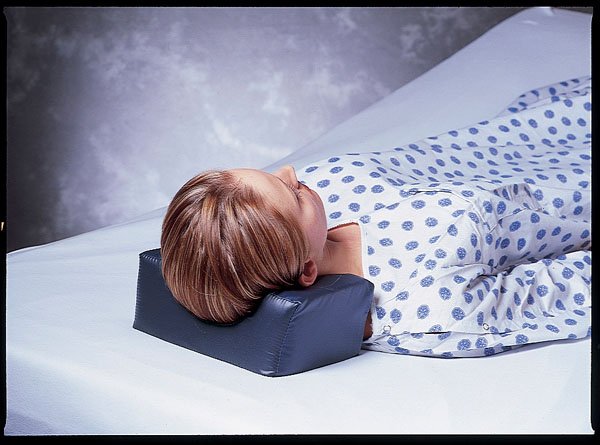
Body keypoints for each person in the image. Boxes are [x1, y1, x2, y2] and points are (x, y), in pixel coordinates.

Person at [161, 76, 591, 357]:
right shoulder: (425, 306)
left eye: (273, 174)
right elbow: (564, 290)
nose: (292, 171)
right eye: (293, 195)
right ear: (306, 270)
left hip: (535, 134)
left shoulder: (323, 190)